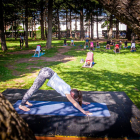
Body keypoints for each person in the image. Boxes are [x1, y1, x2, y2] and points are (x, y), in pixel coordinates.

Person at [19, 67, 92, 116]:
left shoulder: (70, 88)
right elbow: (74, 102)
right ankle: (22, 105)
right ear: (72, 95)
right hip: (46, 73)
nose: (73, 99)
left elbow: (75, 97)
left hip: (48, 71)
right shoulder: (67, 92)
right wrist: (83, 111)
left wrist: (82, 101)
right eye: (74, 97)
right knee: (33, 89)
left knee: (34, 89)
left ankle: (25, 100)